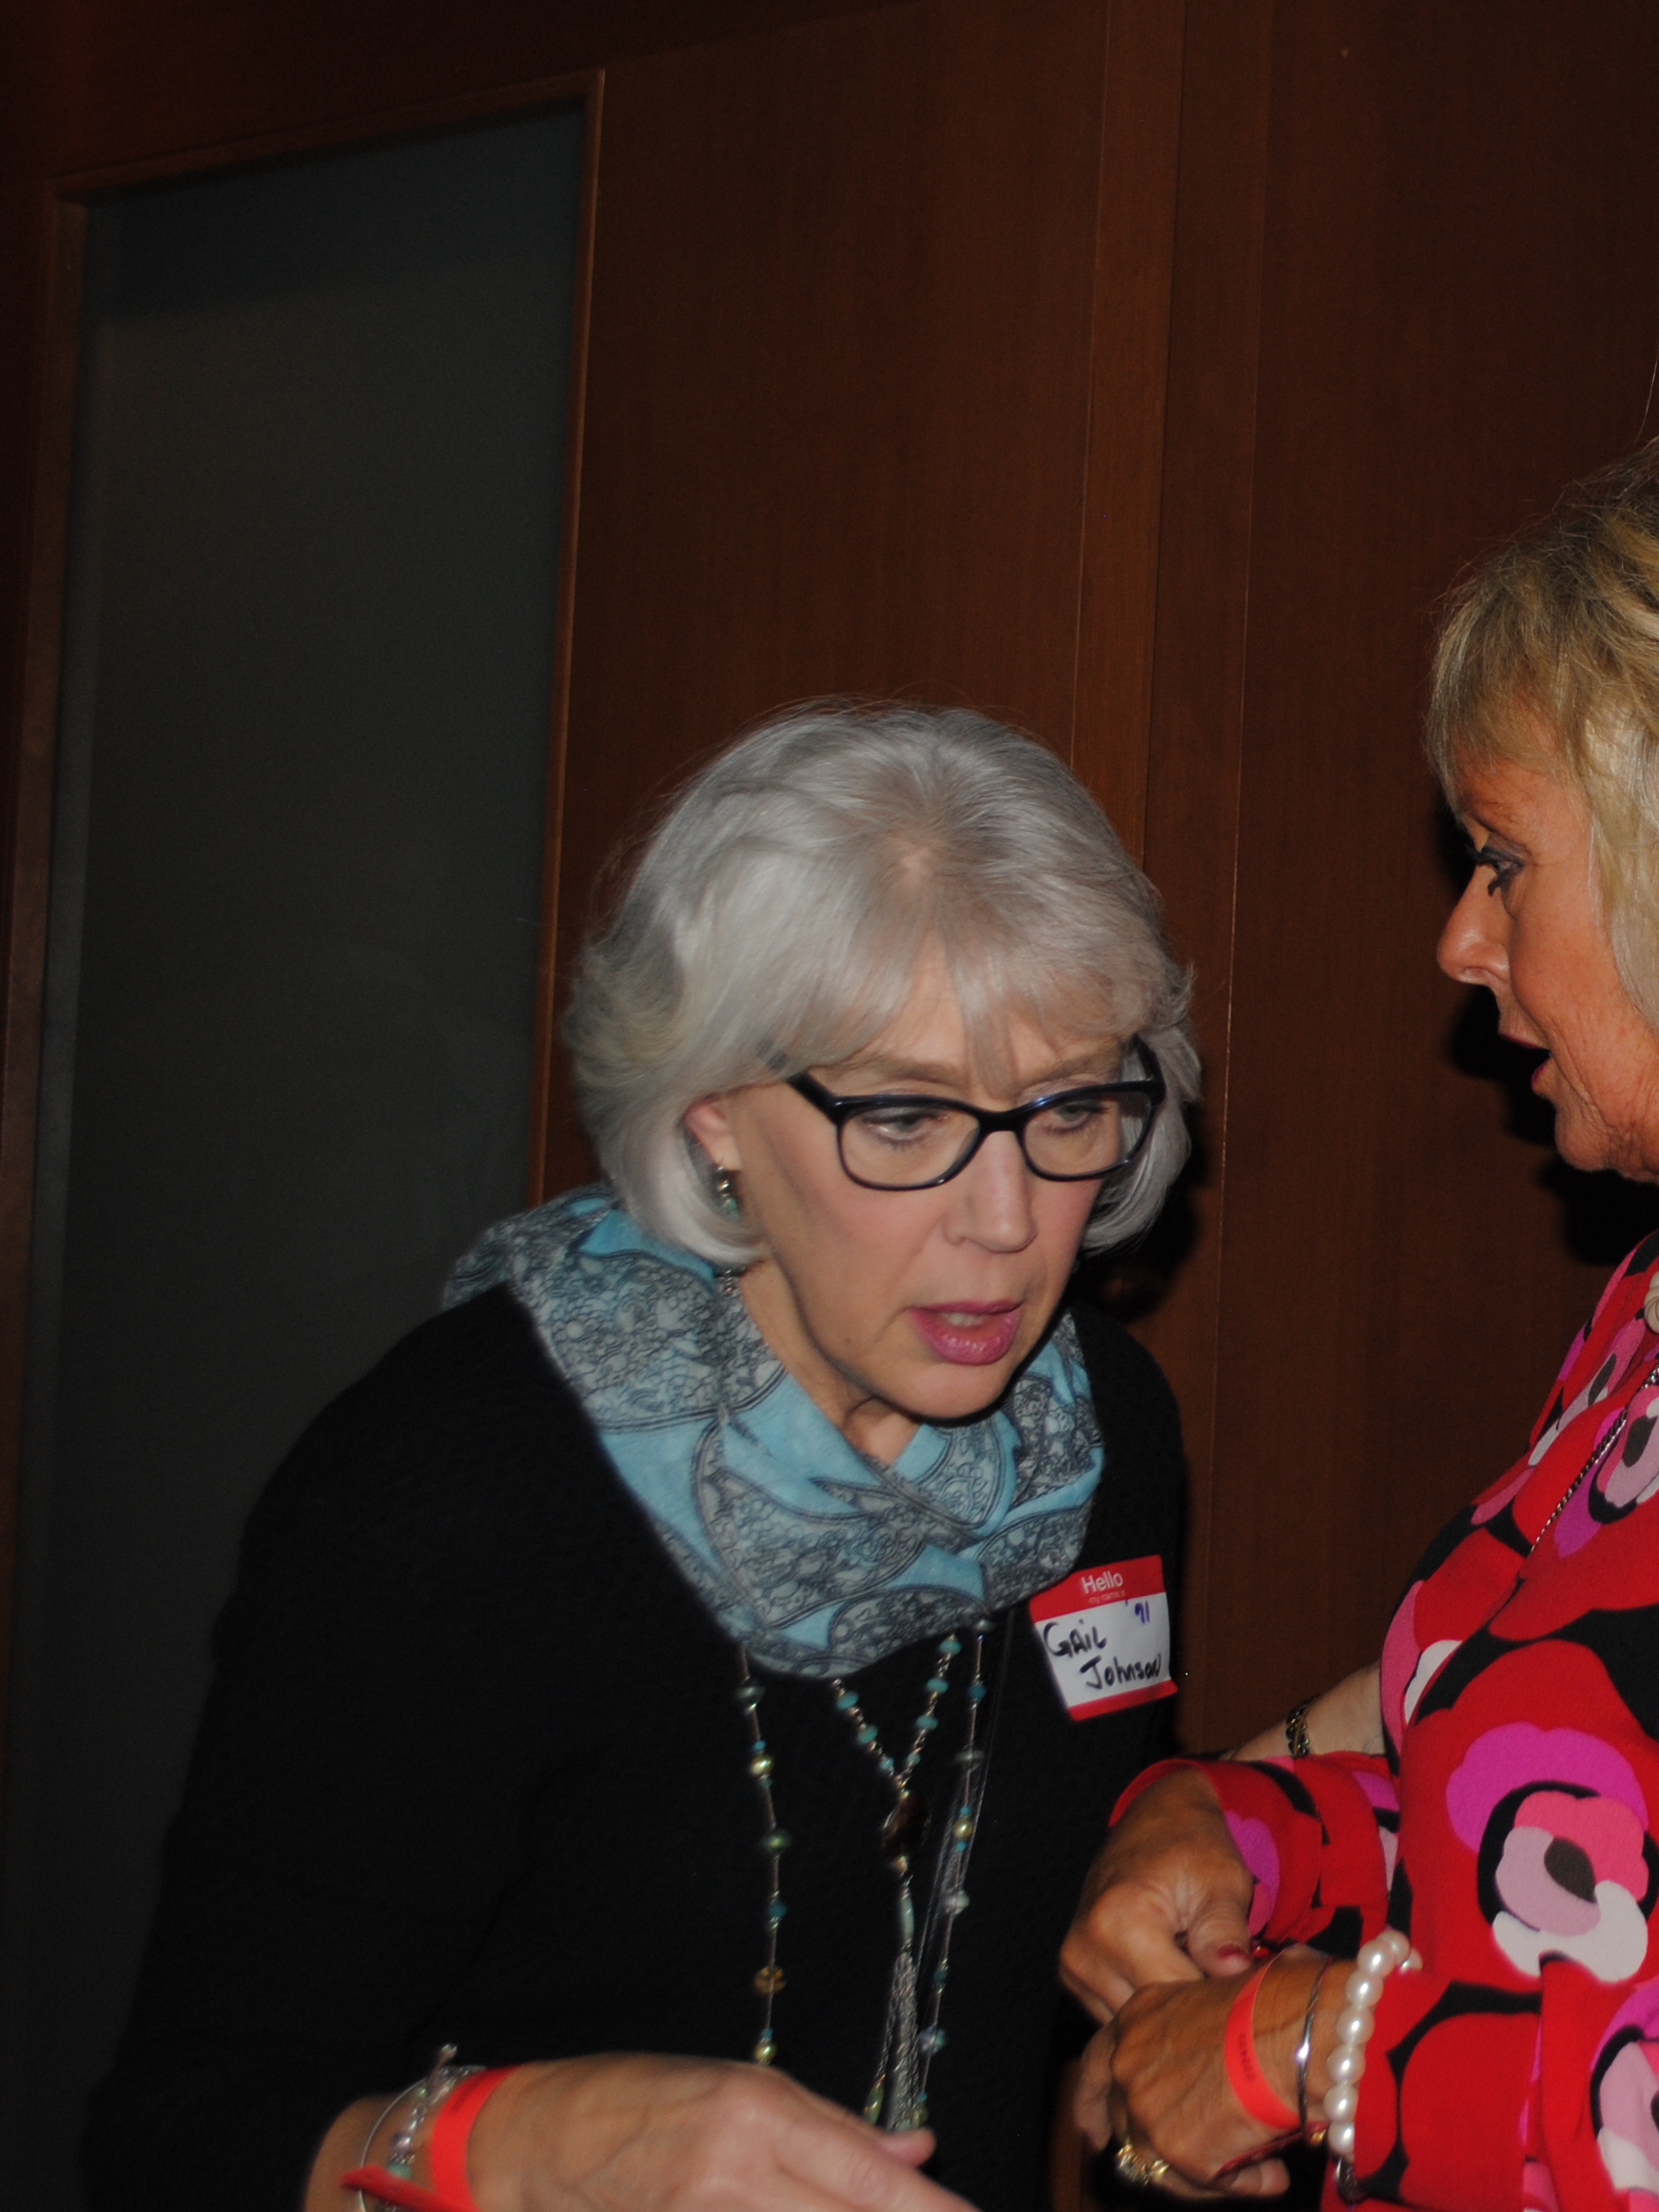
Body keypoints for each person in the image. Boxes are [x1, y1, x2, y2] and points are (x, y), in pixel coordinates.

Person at [1054, 454, 1659, 2212]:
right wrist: (1242, 1833)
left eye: (1507, 862)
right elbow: (1557, 1850)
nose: (1463, 940)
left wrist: (1310, 2047)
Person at [93, 704, 1201, 2212]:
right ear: (714, 1117)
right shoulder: (455, 1496)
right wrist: (522, 2145)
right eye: (901, 1116)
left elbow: (1054, 1917)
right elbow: (176, 2144)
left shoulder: (1101, 1434)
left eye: (1068, 1107)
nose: (1006, 1222)